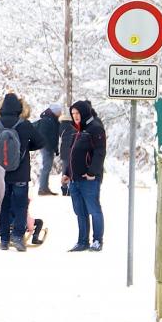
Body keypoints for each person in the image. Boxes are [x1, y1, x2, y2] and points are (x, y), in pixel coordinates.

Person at [0, 93, 44, 252]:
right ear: (19, 108)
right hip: (21, 173)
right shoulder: (25, 124)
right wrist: (25, 148)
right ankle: (18, 237)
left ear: (1, 108)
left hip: (0, 173)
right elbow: (41, 142)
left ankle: (4, 240)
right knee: (21, 205)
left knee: (3, 205)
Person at [63, 99, 107, 252]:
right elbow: (72, 154)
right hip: (75, 179)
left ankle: (97, 240)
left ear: (84, 112)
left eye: (77, 113)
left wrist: (92, 172)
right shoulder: (77, 130)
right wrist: (67, 173)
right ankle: (82, 241)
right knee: (80, 211)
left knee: (94, 210)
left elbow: (100, 153)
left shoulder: (95, 128)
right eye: (73, 113)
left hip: (89, 179)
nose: (75, 116)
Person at [35, 102, 62, 195]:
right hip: (46, 147)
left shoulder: (53, 120)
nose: (61, 113)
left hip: (48, 147)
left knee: (47, 167)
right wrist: (49, 147)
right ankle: (42, 188)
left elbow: (54, 136)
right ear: (55, 111)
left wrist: (55, 149)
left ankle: (44, 187)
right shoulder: (47, 120)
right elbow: (45, 135)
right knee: (46, 167)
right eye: (59, 111)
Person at [58, 115, 75, 196]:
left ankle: (64, 188)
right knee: (72, 170)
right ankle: (71, 188)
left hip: (64, 150)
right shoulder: (73, 127)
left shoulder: (60, 127)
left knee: (65, 170)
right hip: (72, 150)